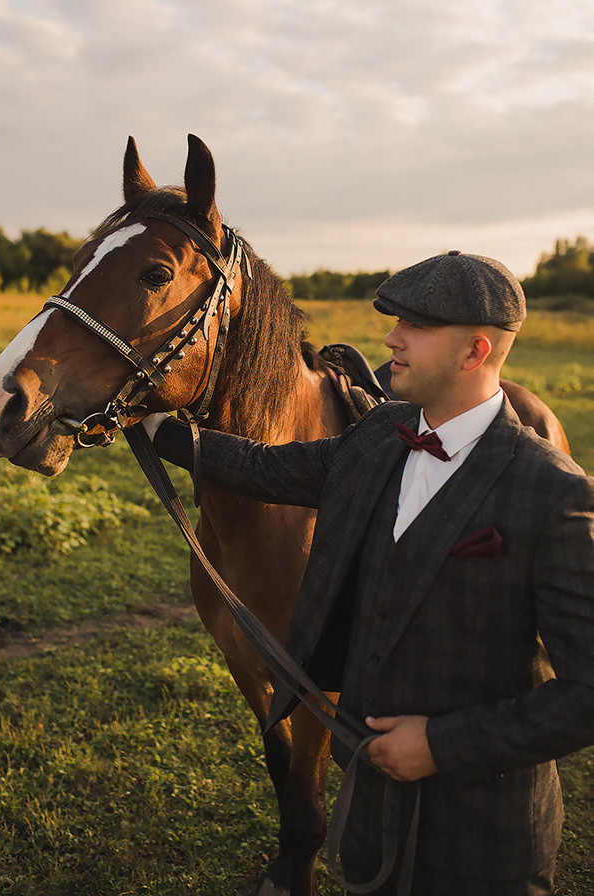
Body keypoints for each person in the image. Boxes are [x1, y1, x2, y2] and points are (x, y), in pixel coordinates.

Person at [144, 251, 594, 896]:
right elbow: (271, 470)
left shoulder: (555, 493)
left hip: (483, 839)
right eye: (395, 322)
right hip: (366, 818)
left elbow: (587, 693)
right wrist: (161, 425)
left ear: (474, 352)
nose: (389, 339)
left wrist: (441, 745)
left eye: (415, 326)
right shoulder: (382, 434)